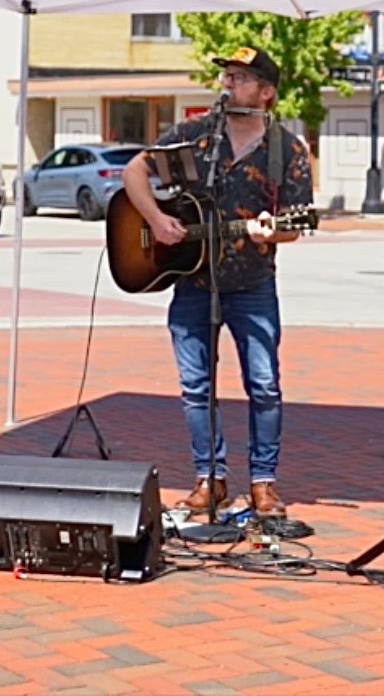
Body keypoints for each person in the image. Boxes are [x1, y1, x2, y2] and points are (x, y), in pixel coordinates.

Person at [122, 46, 313, 517]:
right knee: (196, 386)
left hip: (252, 285)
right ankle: (211, 478)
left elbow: (297, 223)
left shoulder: (286, 150)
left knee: (264, 385)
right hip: (192, 284)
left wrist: (275, 232)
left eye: (240, 78)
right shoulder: (195, 137)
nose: (228, 85)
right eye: (227, 77)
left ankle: (264, 482)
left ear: (266, 93)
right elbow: (134, 171)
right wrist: (157, 221)